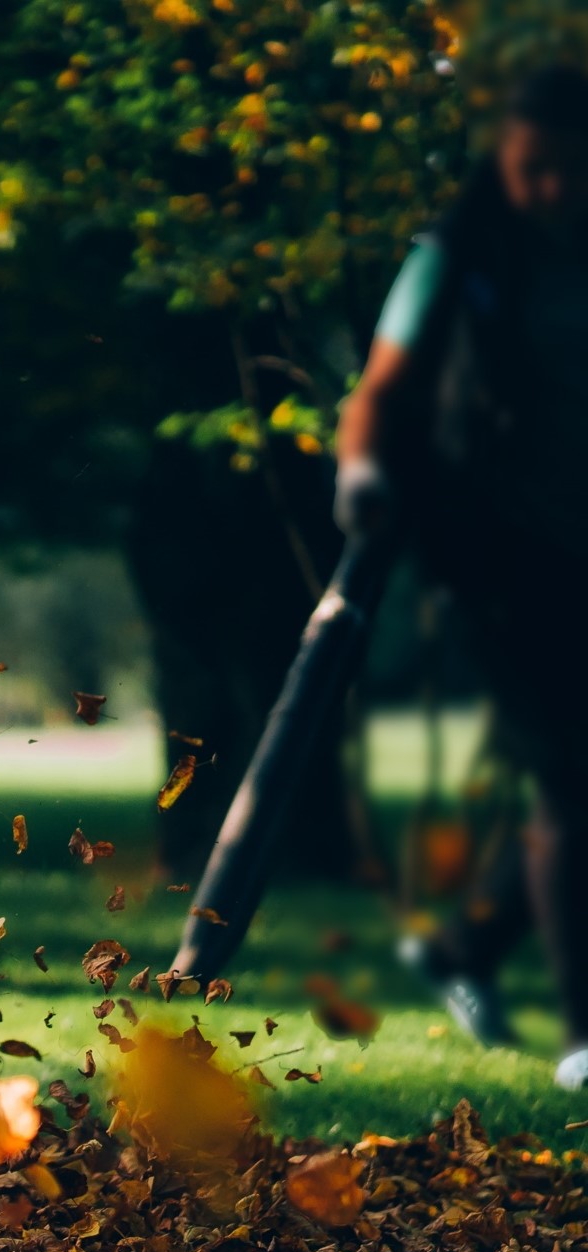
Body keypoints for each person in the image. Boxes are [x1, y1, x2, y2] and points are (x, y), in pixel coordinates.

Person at [338, 64, 588, 1088]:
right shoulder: (453, 256)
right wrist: (359, 473)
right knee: (570, 782)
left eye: (570, 172)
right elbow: (379, 390)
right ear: (503, 160)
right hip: (490, 558)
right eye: (532, 171)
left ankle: (464, 946)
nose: (552, 194)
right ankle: (581, 1038)